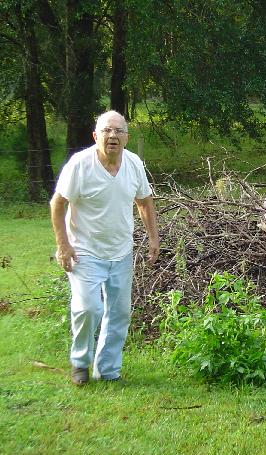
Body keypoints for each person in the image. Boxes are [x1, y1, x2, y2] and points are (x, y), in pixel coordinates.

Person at [50, 110, 160, 385]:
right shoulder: (80, 165)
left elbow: (144, 202)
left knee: (119, 313)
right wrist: (63, 246)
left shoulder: (134, 163)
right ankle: (80, 363)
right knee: (89, 308)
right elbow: (58, 204)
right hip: (84, 250)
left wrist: (153, 239)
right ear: (95, 135)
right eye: (106, 131)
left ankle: (108, 370)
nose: (112, 136)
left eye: (118, 131)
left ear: (127, 137)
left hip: (121, 251)